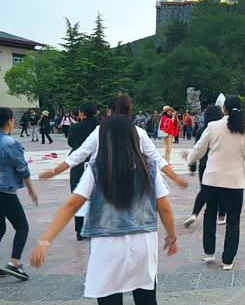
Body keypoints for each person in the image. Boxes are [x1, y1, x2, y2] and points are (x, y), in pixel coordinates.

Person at [30, 115, 178, 305]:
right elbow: (164, 205)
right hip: (142, 244)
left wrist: (46, 239)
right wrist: (172, 236)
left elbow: (72, 204)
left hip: (106, 247)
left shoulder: (97, 168)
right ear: (133, 138)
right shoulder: (148, 167)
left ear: (105, 140)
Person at [39, 95, 188, 189]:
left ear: (110, 111)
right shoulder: (139, 133)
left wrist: (53, 172)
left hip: (105, 187)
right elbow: (157, 159)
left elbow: (79, 155)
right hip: (130, 187)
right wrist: (176, 178)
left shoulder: (100, 130)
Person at [186, 96, 245, 269]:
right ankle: (228, 260)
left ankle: (209, 252)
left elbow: (199, 149)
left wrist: (190, 160)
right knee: (233, 220)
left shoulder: (213, 127)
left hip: (212, 180)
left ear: (224, 109)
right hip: (234, 183)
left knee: (210, 214)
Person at [0, 107, 38, 280]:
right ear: (10, 121)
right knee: (22, 226)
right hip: (4, 192)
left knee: (0, 228)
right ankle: (14, 263)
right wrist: (31, 190)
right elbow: (22, 168)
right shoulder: (10, 143)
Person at [183, 105, 226, 229]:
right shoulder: (223, 130)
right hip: (218, 164)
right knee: (222, 190)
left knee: (204, 191)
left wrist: (192, 167)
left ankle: (194, 214)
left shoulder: (201, 130)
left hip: (203, 165)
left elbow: (196, 150)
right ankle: (221, 216)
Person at [68, 102, 100, 241]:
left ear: (82, 113)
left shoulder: (75, 128)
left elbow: (71, 142)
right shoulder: (100, 127)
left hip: (79, 163)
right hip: (97, 163)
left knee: (78, 195)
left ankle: (80, 230)